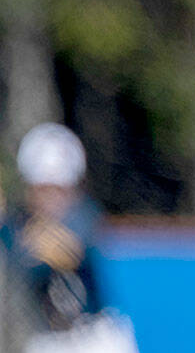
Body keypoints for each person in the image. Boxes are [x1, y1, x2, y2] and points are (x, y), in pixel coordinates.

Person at [0, 124, 136, 353]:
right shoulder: (19, 224)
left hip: (96, 339)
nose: (51, 199)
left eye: (58, 189)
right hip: (50, 340)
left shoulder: (84, 216)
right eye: (43, 189)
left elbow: (58, 250)